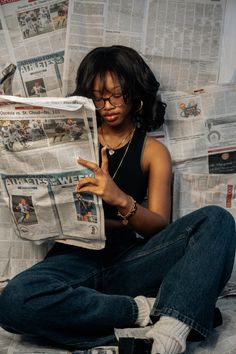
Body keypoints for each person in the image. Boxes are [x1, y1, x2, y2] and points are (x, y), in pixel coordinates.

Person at [0, 45, 235, 354]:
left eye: (116, 95)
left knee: (217, 220)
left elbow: (159, 225)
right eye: (98, 97)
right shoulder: (71, 139)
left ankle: (166, 337)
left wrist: (120, 199)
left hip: (129, 261)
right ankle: (150, 314)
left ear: (134, 92)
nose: (107, 105)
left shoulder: (152, 152)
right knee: (15, 300)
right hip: (71, 261)